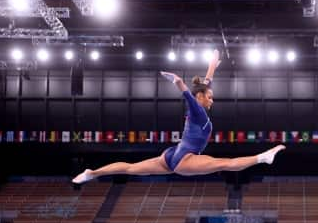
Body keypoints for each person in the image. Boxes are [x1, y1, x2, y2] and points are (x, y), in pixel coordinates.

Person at [72, 49, 286, 184]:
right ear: (200, 97)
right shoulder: (198, 111)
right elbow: (188, 93)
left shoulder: (199, 107)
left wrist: (212, 66)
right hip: (185, 159)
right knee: (226, 163)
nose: (213, 100)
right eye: (209, 97)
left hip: (171, 154)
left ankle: (93, 173)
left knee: (130, 168)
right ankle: (262, 157)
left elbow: (204, 85)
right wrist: (178, 82)